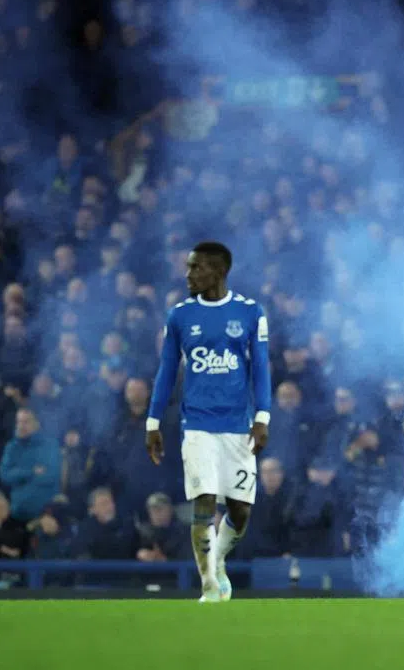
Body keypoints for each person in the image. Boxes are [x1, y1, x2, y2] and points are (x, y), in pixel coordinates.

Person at [145, 242, 272, 602]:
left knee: (240, 512)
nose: (188, 275)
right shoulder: (180, 316)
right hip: (197, 425)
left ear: (218, 272)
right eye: (189, 267)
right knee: (204, 501)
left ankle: (217, 562)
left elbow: (261, 369)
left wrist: (262, 418)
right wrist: (152, 422)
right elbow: (167, 371)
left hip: (238, 426)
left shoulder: (250, 313)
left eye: (196, 268)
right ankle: (209, 587)